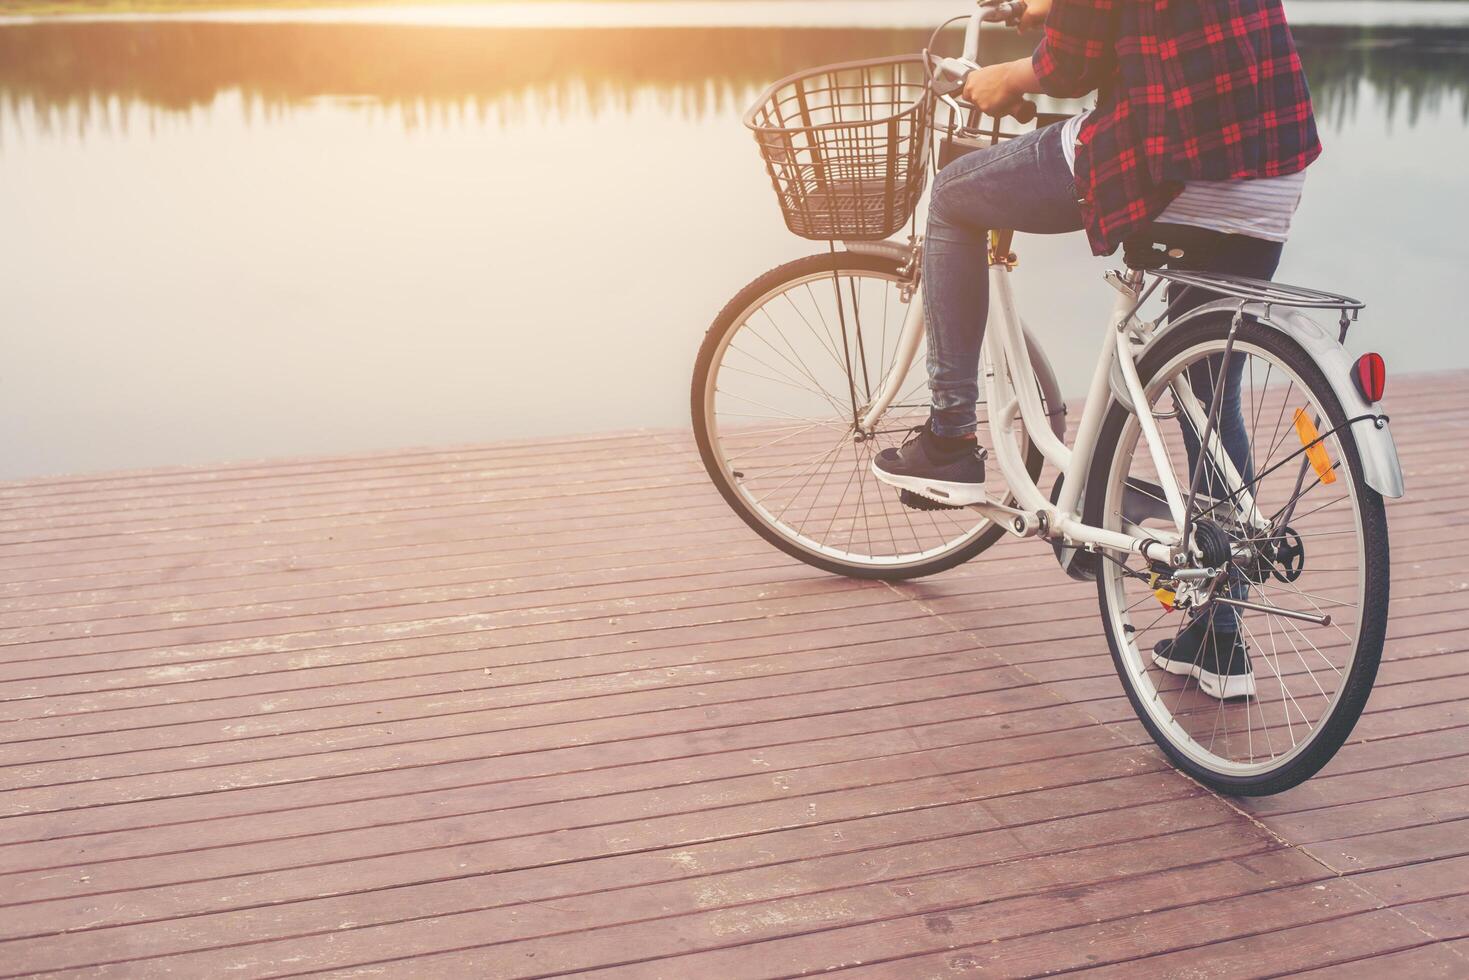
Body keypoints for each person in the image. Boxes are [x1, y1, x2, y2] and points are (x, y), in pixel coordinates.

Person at [872, 0, 1321, 699]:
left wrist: (1005, 79)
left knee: (953, 198)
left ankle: (950, 439)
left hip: (1171, 166)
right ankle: (1218, 637)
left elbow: (1070, 65)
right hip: (1269, 172)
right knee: (1208, 385)